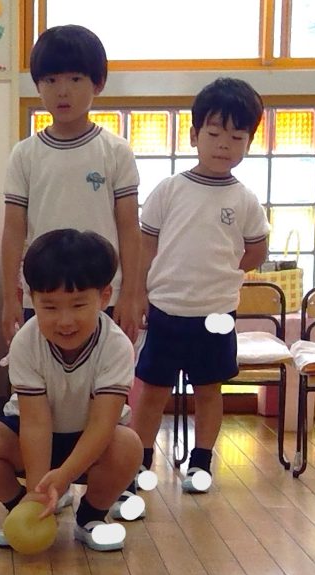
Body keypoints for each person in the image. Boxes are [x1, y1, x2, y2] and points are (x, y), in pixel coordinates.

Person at [116, 76, 269, 509]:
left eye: (237, 137)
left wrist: (225, 272)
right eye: (214, 133)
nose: (224, 145)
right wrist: (138, 294)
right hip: (166, 308)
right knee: (152, 390)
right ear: (194, 134)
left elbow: (257, 249)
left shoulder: (245, 199)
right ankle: (140, 462)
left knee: (208, 389)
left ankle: (201, 463)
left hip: (216, 313)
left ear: (248, 143)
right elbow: (146, 246)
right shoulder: (170, 190)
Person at [0, 229, 142, 552]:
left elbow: (102, 424)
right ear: (31, 298)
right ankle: (25, 511)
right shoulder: (26, 342)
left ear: (104, 297)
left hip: (89, 441)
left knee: (128, 446)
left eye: (78, 305)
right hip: (32, 438)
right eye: (50, 307)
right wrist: (37, 494)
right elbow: (36, 423)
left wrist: (65, 475)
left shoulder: (116, 346)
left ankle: (90, 519)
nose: (65, 321)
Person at [1, 24, 142, 348]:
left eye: (75, 79)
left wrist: (131, 295)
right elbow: (13, 230)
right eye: (51, 80)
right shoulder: (25, 154)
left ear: (98, 83)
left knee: (104, 373)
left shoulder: (116, 151)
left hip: (102, 293)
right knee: (42, 373)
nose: (62, 91)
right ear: (38, 85)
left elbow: (129, 228)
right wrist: (10, 297)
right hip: (43, 295)